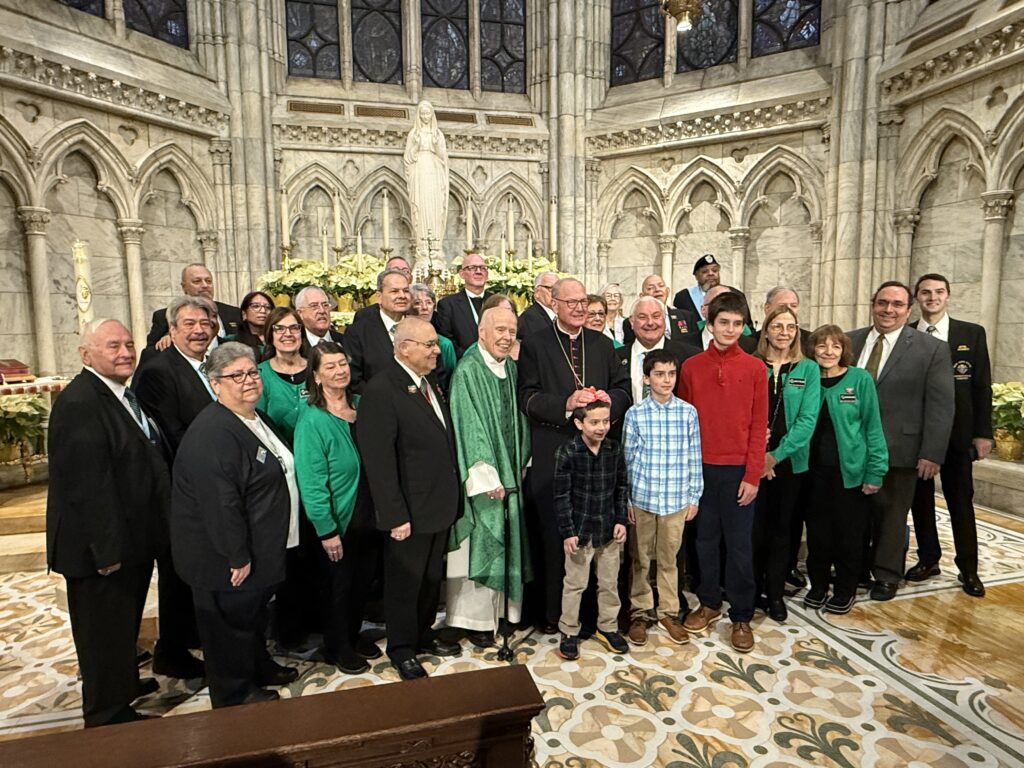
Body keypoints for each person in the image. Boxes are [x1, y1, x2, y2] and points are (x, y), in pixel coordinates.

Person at [47, 319, 170, 726]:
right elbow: (87, 487)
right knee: (102, 633)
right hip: (101, 549)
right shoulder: (81, 402)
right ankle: (107, 713)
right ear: (86, 355)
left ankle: (123, 686)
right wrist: (107, 551)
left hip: (130, 539)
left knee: (122, 627)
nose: (125, 352)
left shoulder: (119, 394)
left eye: (129, 344)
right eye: (113, 345)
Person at [171, 343, 300, 707]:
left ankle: (257, 666)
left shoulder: (254, 418)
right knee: (229, 626)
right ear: (215, 383)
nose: (248, 381)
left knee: (251, 618)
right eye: (236, 376)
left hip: (261, 544)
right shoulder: (213, 432)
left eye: (252, 372)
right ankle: (234, 692)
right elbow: (220, 503)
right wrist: (236, 555)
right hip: (224, 556)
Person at [518, 277, 631, 633]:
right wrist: (566, 404)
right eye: (572, 302)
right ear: (554, 303)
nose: (580, 308)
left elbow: (624, 388)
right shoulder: (535, 344)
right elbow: (527, 398)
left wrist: (608, 401)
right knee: (557, 537)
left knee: (597, 537)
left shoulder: (601, 343)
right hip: (554, 455)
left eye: (584, 301)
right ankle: (554, 615)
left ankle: (597, 615)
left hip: (598, 456)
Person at [358, 317, 463, 680]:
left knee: (429, 580)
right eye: (429, 344)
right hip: (409, 511)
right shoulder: (381, 389)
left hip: (437, 505)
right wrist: (394, 515)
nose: (437, 350)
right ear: (404, 348)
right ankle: (402, 648)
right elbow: (379, 460)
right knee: (405, 582)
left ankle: (422, 634)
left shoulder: (427, 383)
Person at [848, 281, 954, 601]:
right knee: (856, 511)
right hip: (852, 447)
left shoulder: (930, 348)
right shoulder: (850, 341)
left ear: (909, 310)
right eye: (882, 303)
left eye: (896, 305)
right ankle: (857, 569)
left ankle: (886, 573)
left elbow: (941, 404)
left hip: (901, 447)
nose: (888, 310)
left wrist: (931, 452)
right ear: (873, 304)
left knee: (892, 515)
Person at [678, 291, 767, 653]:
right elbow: (682, 421)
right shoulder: (692, 367)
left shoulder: (755, 368)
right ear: (710, 324)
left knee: (740, 546)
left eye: (737, 323)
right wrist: (687, 474)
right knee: (705, 541)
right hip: (700, 469)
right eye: (723, 322)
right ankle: (710, 602)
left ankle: (742, 615)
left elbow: (759, 424)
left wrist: (753, 474)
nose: (730, 329)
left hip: (738, 472)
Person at [133, 295, 216, 680]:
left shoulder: (209, 365)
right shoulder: (159, 370)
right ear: (172, 329)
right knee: (178, 572)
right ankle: (173, 649)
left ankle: (197, 634)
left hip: (212, 485)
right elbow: (169, 434)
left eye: (205, 322)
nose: (199, 330)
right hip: (184, 487)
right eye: (189, 324)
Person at [446, 307, 532, 648]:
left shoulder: (510, 368)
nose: (506, 337)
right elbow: (470, 426)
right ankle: (475, 620)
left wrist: (524, 457)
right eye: (499, 330)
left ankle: (504, 615)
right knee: (483, 538)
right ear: (481, 331)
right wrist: (486, 475)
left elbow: (520, 421)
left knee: (508, 538)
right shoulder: (469, 370)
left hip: (510, 475)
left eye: (511, 331)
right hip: (486, 483)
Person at [294, 342, 378, 673]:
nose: (339, 371)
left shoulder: (361, 405)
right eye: (329, 366)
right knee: (338, 588)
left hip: (369, 512)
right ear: (315, 375)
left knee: (363, 582)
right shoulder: (313, 420)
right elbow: (312, 482)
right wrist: (326, 529)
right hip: (339, 518)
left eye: (342, 364)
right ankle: (337, 646)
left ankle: (353, 635)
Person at [907, 273, 992, 597]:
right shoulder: (908, 334)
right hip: (919, 434)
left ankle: (968, 568)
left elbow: (982, 386)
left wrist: (983, 433)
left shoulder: (971, 334)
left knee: (960, 501)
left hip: (958, 435)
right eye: (925, 293)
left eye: (938, 292)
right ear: (917, 298)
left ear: (948, 296)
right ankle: (928, 559)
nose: (932, 297)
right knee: (921, 501)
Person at [804, 326, 888, 613]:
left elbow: (873, 427)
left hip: (849, 473)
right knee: (817, 534)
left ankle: (845, 589)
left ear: (844, 351)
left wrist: (876, 470)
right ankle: (817, 585)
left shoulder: (859, 379)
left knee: (849, 535)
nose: (828, 352)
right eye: (822, 346)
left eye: (835, 347)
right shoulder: (807, 378)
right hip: (813, 474)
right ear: (812, 348)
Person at [622, 349, 702, 646]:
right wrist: (628, 500)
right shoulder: (636, 414)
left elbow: (694, 456)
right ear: (647, 378)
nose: (666, 380)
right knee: (640, 558)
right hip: (643, 498)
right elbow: (629, 459)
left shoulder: (687, 413)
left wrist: (694, 496)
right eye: (659, 374)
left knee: (669, 559)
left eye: (671, 374)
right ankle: (641, 611)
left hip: (675, 499)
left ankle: (668, 611)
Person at [752, 306, 821, 623]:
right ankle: (750, 591)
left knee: (782, 531)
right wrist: (758, 456)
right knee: (753, 530)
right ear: (765, 330)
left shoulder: (808, 370)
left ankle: (775, 593)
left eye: (790, 327)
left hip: (790, 464)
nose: (784, 332)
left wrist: (774, 456)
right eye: (777, 326)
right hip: (752, 461)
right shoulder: (753, 364)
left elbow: (807, 421)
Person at [554, 399, 629, 660]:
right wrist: (567, 531)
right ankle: (569, 631)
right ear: (579, 423)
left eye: (605, 421)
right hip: (580, 531)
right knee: (575, 584)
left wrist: (621, 520)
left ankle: (607, 627)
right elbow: (561, 496)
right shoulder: (568, 451)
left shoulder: (614, 449)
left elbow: (621, 488)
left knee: (609, 584)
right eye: (594, 422)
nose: (601, 427)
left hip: (608, 529)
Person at [617, 296, 696, 405]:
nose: (650, 322)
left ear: (664, 319)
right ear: (631, 321)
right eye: (642, 317)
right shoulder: (615, 357)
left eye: (656, 316)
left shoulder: (689, 356)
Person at [346, 268, 413, 393]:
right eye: (394, 291)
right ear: (379, 297)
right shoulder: (358, 333)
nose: (402, 296)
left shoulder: (420, 328)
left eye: (406, 291)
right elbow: (353, 378)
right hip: (378, 404)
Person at [147, 263, 241, 351]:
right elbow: (150, 353)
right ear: (184, 287)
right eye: (197, 281)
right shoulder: (163, 316)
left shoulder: (234, 312)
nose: (205, 285)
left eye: (208, 281)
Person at [404, 100, 449, 260]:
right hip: (420, 171)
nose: (425, 116)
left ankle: (436, 246)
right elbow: (408, 159)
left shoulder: (438, 134)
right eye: (422, 113)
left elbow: (443, 157)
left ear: (432, 115)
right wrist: (416, 145)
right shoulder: (413, 134)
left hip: (434, 171)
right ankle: (422, 246)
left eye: (428, 113)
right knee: (421, 206)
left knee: (435, 207)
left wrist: (436, 146)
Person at [256, 306, 308, 444]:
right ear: (270, 335)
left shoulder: (317, 369)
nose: (288, 334)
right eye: (279, 329)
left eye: (294, 328)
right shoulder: (258, 374)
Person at [434, 252, 493, 358]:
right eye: (472, 268)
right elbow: (447, 342)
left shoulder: (496, 301)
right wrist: (470, 359)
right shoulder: (448, 304)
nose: (478, 271)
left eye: (482, 268)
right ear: (462, 274)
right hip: (463, 363)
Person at [681, 284, 758, 355]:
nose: (726, 309)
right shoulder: (682, 345)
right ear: (703, 310)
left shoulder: (752, 347)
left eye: (730, 303)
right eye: (718, 304)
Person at [624, 274, 698, 343]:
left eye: (661, 286)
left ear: (668, 291)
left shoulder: (687, 317)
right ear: (642, 295)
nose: (657, 289)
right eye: (650, 288)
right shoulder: (631, 322)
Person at [410, 282, 457, 375]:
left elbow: (451, 379)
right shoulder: (398, 336)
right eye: (417, 303)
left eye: (429, 302)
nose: (425, 307)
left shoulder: (444, 344)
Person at [295, 286, 344, 355]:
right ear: (300, 313)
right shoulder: (295, 346)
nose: (322, 311)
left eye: (325, 305)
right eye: (314, 306)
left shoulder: (345, 341)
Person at [673, 254, 721, 318]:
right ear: (696, 276)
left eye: (715, 270)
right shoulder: (683, 297)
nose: (711, 274)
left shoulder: (732, 293)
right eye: (704, 271)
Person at [518, 271, 559, 340]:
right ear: (537, 292)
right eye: (550, 289)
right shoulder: (529, 318)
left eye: (558, 289)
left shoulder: (562, 315)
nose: (555, 293)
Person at [233, 291, 275, 356]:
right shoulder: (232, 341)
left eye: (268, 307)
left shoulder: (278, 338)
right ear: (244, 314)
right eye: (256, 306)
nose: (263, 311)